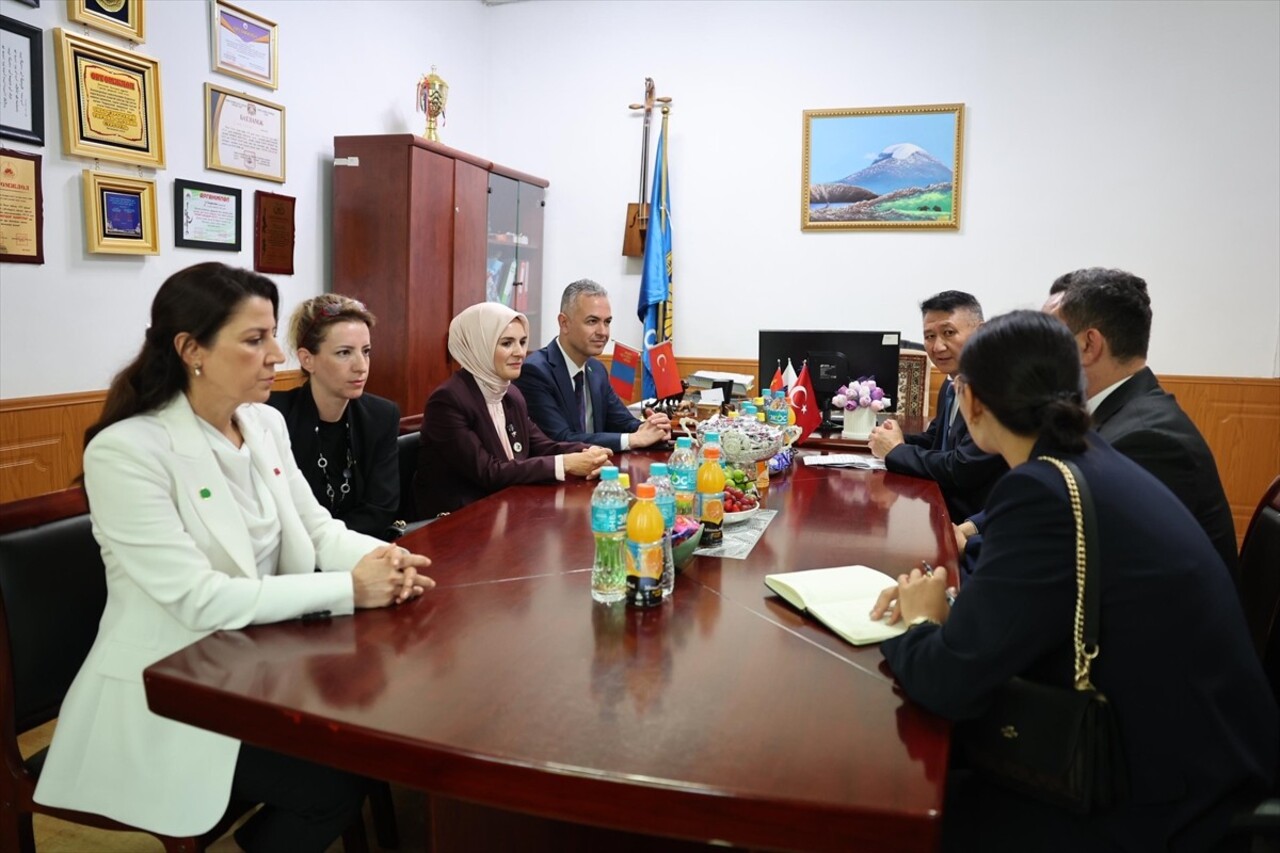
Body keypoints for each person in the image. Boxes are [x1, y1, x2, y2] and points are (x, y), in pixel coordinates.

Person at [32, 263, 434, 852]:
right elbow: (200, 599)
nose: (276, 354)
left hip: (263, 664)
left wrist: (394, 560)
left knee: (373, 741)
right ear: (191, 349)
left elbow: (318, 530)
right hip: (170, 687)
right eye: (255, 339)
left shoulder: (263, 423)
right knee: (331, 785)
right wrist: (351, 589)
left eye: (272, 335)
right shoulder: (127, 451)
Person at [871, 310, 1275, 852]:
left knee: (908, 808)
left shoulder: (1042, 490)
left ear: (972, 402)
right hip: (1195, 743)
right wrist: (949, 604)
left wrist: (920, 620)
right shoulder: (1086, 457)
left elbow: (950, 684)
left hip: (1152, 789)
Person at [414, 301, 612, 516]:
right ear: (478, 346)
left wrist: (588, 453)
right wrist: (566, 464)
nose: (520, 352)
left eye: (523, 342)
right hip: (456, 522)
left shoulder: (511, 393)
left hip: (504, 508)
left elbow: (542, 445)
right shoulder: (448, 400)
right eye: (507, 343)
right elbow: (489, 472)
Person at [268, 294, 403, 541]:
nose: (361, 365)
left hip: (358, 550)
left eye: (366, 351)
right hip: (294, 558)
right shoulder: (274, 417)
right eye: (344, 353)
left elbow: (380, 509)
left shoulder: (381, 416)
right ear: (307, 359)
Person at [868, 290, 1007, 521]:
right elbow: (935, 440)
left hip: (971, 522)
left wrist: (896, 451)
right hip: (941, 510)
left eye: (949, 333)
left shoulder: (992, 389)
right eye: (929, 336)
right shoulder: (951, 382)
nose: (937, 346)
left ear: (981, 332)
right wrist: (891, 436)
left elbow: (961, 468)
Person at [514, 279, 672, 452]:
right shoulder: (535, 372)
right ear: (564, 323)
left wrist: (651, 427)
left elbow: (622, 422)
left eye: (607, 322)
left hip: (597, 470)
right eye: (592, 321)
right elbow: (560, 439)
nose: (603, 332)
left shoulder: (596, 370)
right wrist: (634, 439)